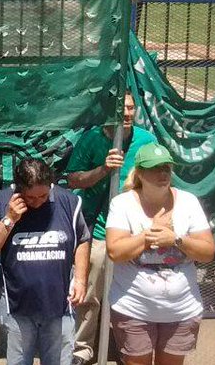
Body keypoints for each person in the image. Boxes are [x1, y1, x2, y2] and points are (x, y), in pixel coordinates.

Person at [67, 92, 158, 365]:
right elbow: (73, 179)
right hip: (99, 233)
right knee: (89, 294)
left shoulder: (145, 141)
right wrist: (103, 170)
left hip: (133, 234)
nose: (127, 113)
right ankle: (82, 351)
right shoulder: (92, 139)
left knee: (133, 294)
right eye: (122, 108)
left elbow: (157, 178)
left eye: (131, 108)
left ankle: (129, 347)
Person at [105, 143, 215, 365]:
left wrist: (175, 239)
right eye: (155, 168)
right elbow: (115, 251)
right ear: (140, 173)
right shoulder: (122, 204)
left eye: (166, 167)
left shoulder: (189, 202)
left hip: (181, 309)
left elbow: (207, 252)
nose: (163, 173)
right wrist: (149, 236)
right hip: (133, 307)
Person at [0, 158, 91, 365]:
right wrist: (9, 219)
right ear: (18, 188)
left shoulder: (69, 202)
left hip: (60, 304)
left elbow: (83, 239)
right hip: (17, 305)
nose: (38, 202)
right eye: (31, 198)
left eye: (43, 195)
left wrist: (81, 279)